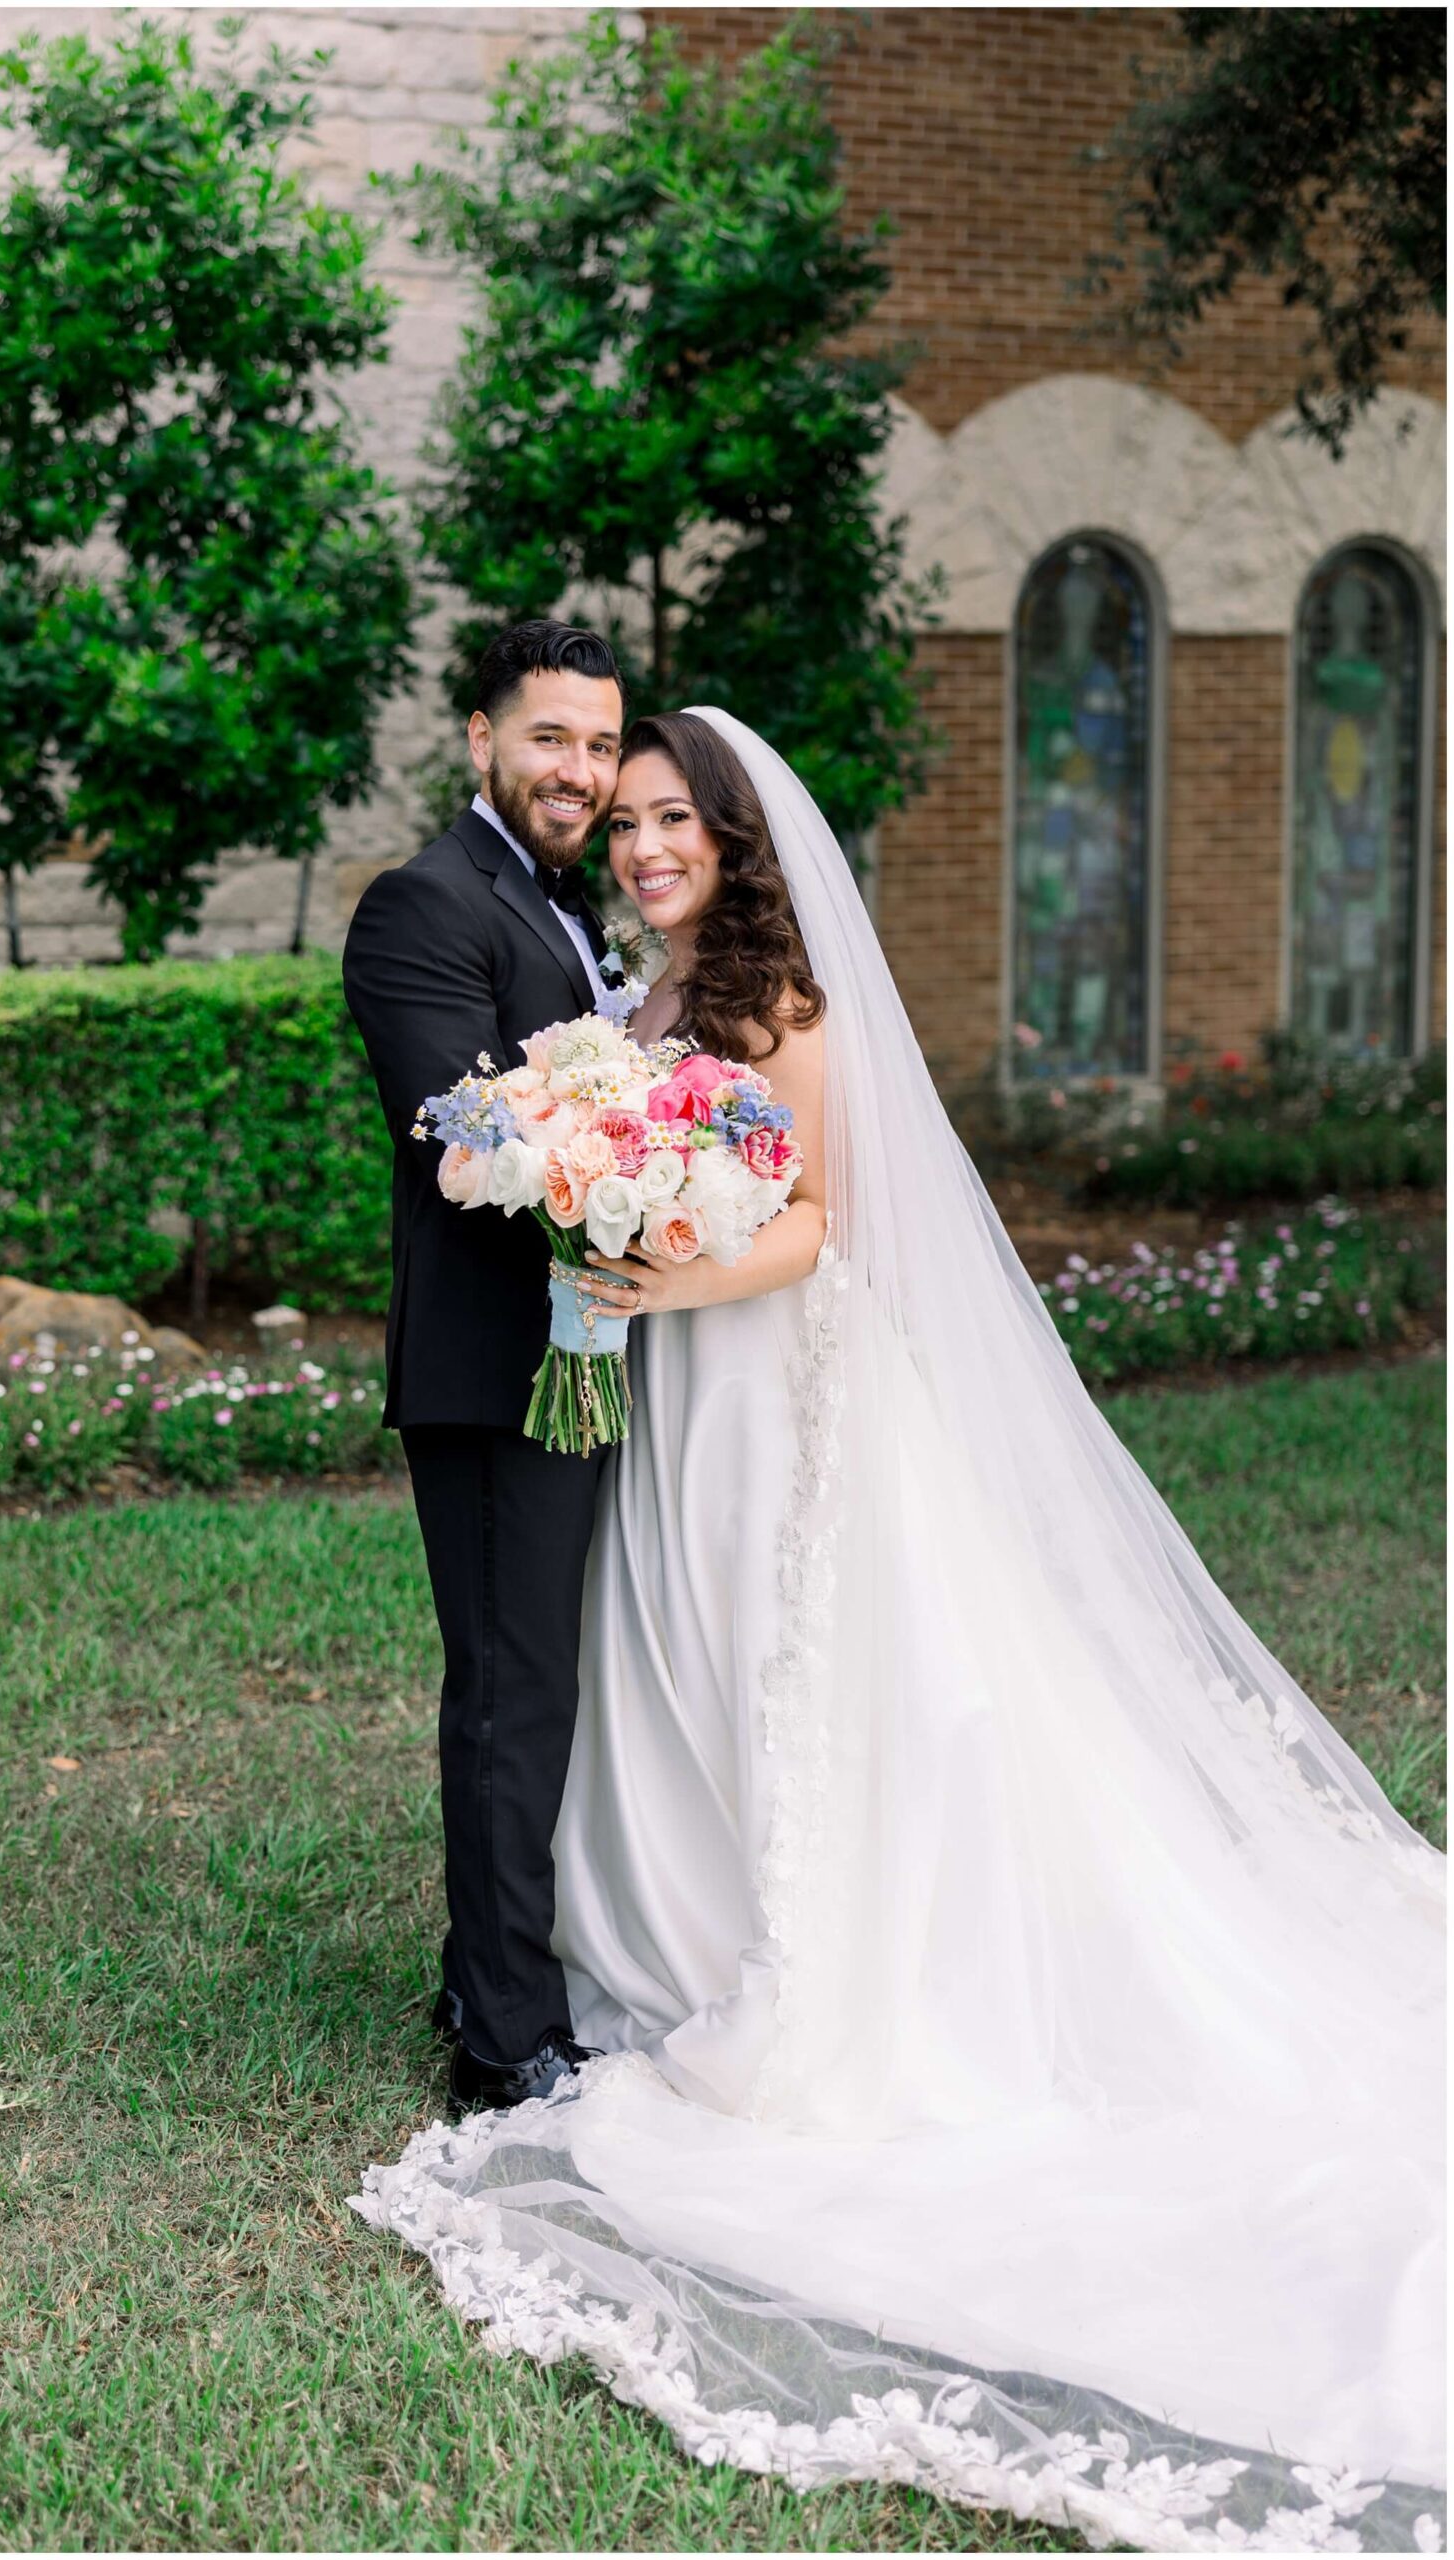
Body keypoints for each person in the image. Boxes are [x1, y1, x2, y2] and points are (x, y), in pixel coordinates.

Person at [353, 708, 1446, 2555]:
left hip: (773, 1390)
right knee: (680, 1664)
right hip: (667, 1389)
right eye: (624, 822)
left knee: (812, 1675)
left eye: (673, 818)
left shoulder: (776, 998)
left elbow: (824, 1223)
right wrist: (610, 1207)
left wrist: (664, 1256)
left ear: (737, 836)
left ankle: (822, 1956)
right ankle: (673, 1936)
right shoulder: (634, 998)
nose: (642, 847)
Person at [341, 619, 625, 2116]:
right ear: (481, 740)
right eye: (549, 738)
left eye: (597, 742)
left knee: (563, 1684)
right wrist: (638, 1138)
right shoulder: (422, 905)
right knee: (514, 1691)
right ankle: (504, 2037)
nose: (576, 769)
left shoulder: (565, 904)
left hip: (588, 1351)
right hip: (496, 1364)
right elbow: (463, 1127)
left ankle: (500, 1962)